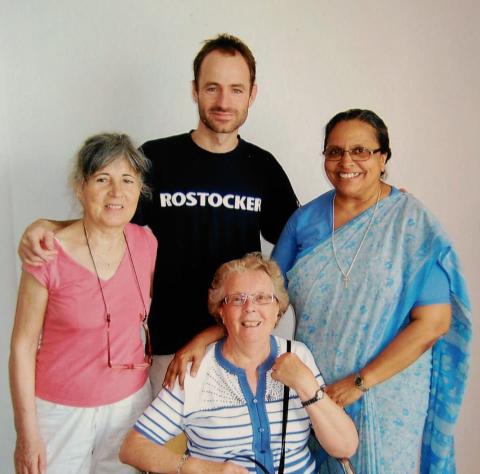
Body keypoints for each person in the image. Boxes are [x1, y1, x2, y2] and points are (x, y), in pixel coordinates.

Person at [17, 34, 298, 395]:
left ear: (252, 94)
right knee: (163, 452)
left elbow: (303, 237)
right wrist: (49, 226)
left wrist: (376, 203)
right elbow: (108, 221)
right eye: (212, 88)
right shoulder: (157, 159)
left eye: (236, 89)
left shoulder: (263, 167)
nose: (224, 101)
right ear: (194, 90)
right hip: (169, 349)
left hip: (239, 345)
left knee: (229, 453)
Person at [271, 109, 472, 472]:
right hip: (317, 391)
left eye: (360, 150)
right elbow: (268, 297)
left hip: (388, 391)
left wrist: (361, 381)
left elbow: (434, 322)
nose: (346, 161)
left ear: (383, 158)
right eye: (334, 151)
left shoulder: (411, 224)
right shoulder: (304, 221)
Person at [119, 253, 358, 474]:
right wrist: (204, 469)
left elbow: (345, 447)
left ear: (278, 309)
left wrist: (306, 385)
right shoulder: (197, 368)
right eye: (237, 299)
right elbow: (133, 447)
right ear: (221, 312)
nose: (250, 307)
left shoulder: (298, 354)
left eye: (262, 298)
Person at [9, 133, 157, 474]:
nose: (116, 192)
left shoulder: (146, 242)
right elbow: (21, 346)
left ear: (139, 189)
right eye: (102, 179)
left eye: (127, 180)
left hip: (130, 407)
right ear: (80, 188)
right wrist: (26, 434)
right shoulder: (47, 253)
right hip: (59, 413)